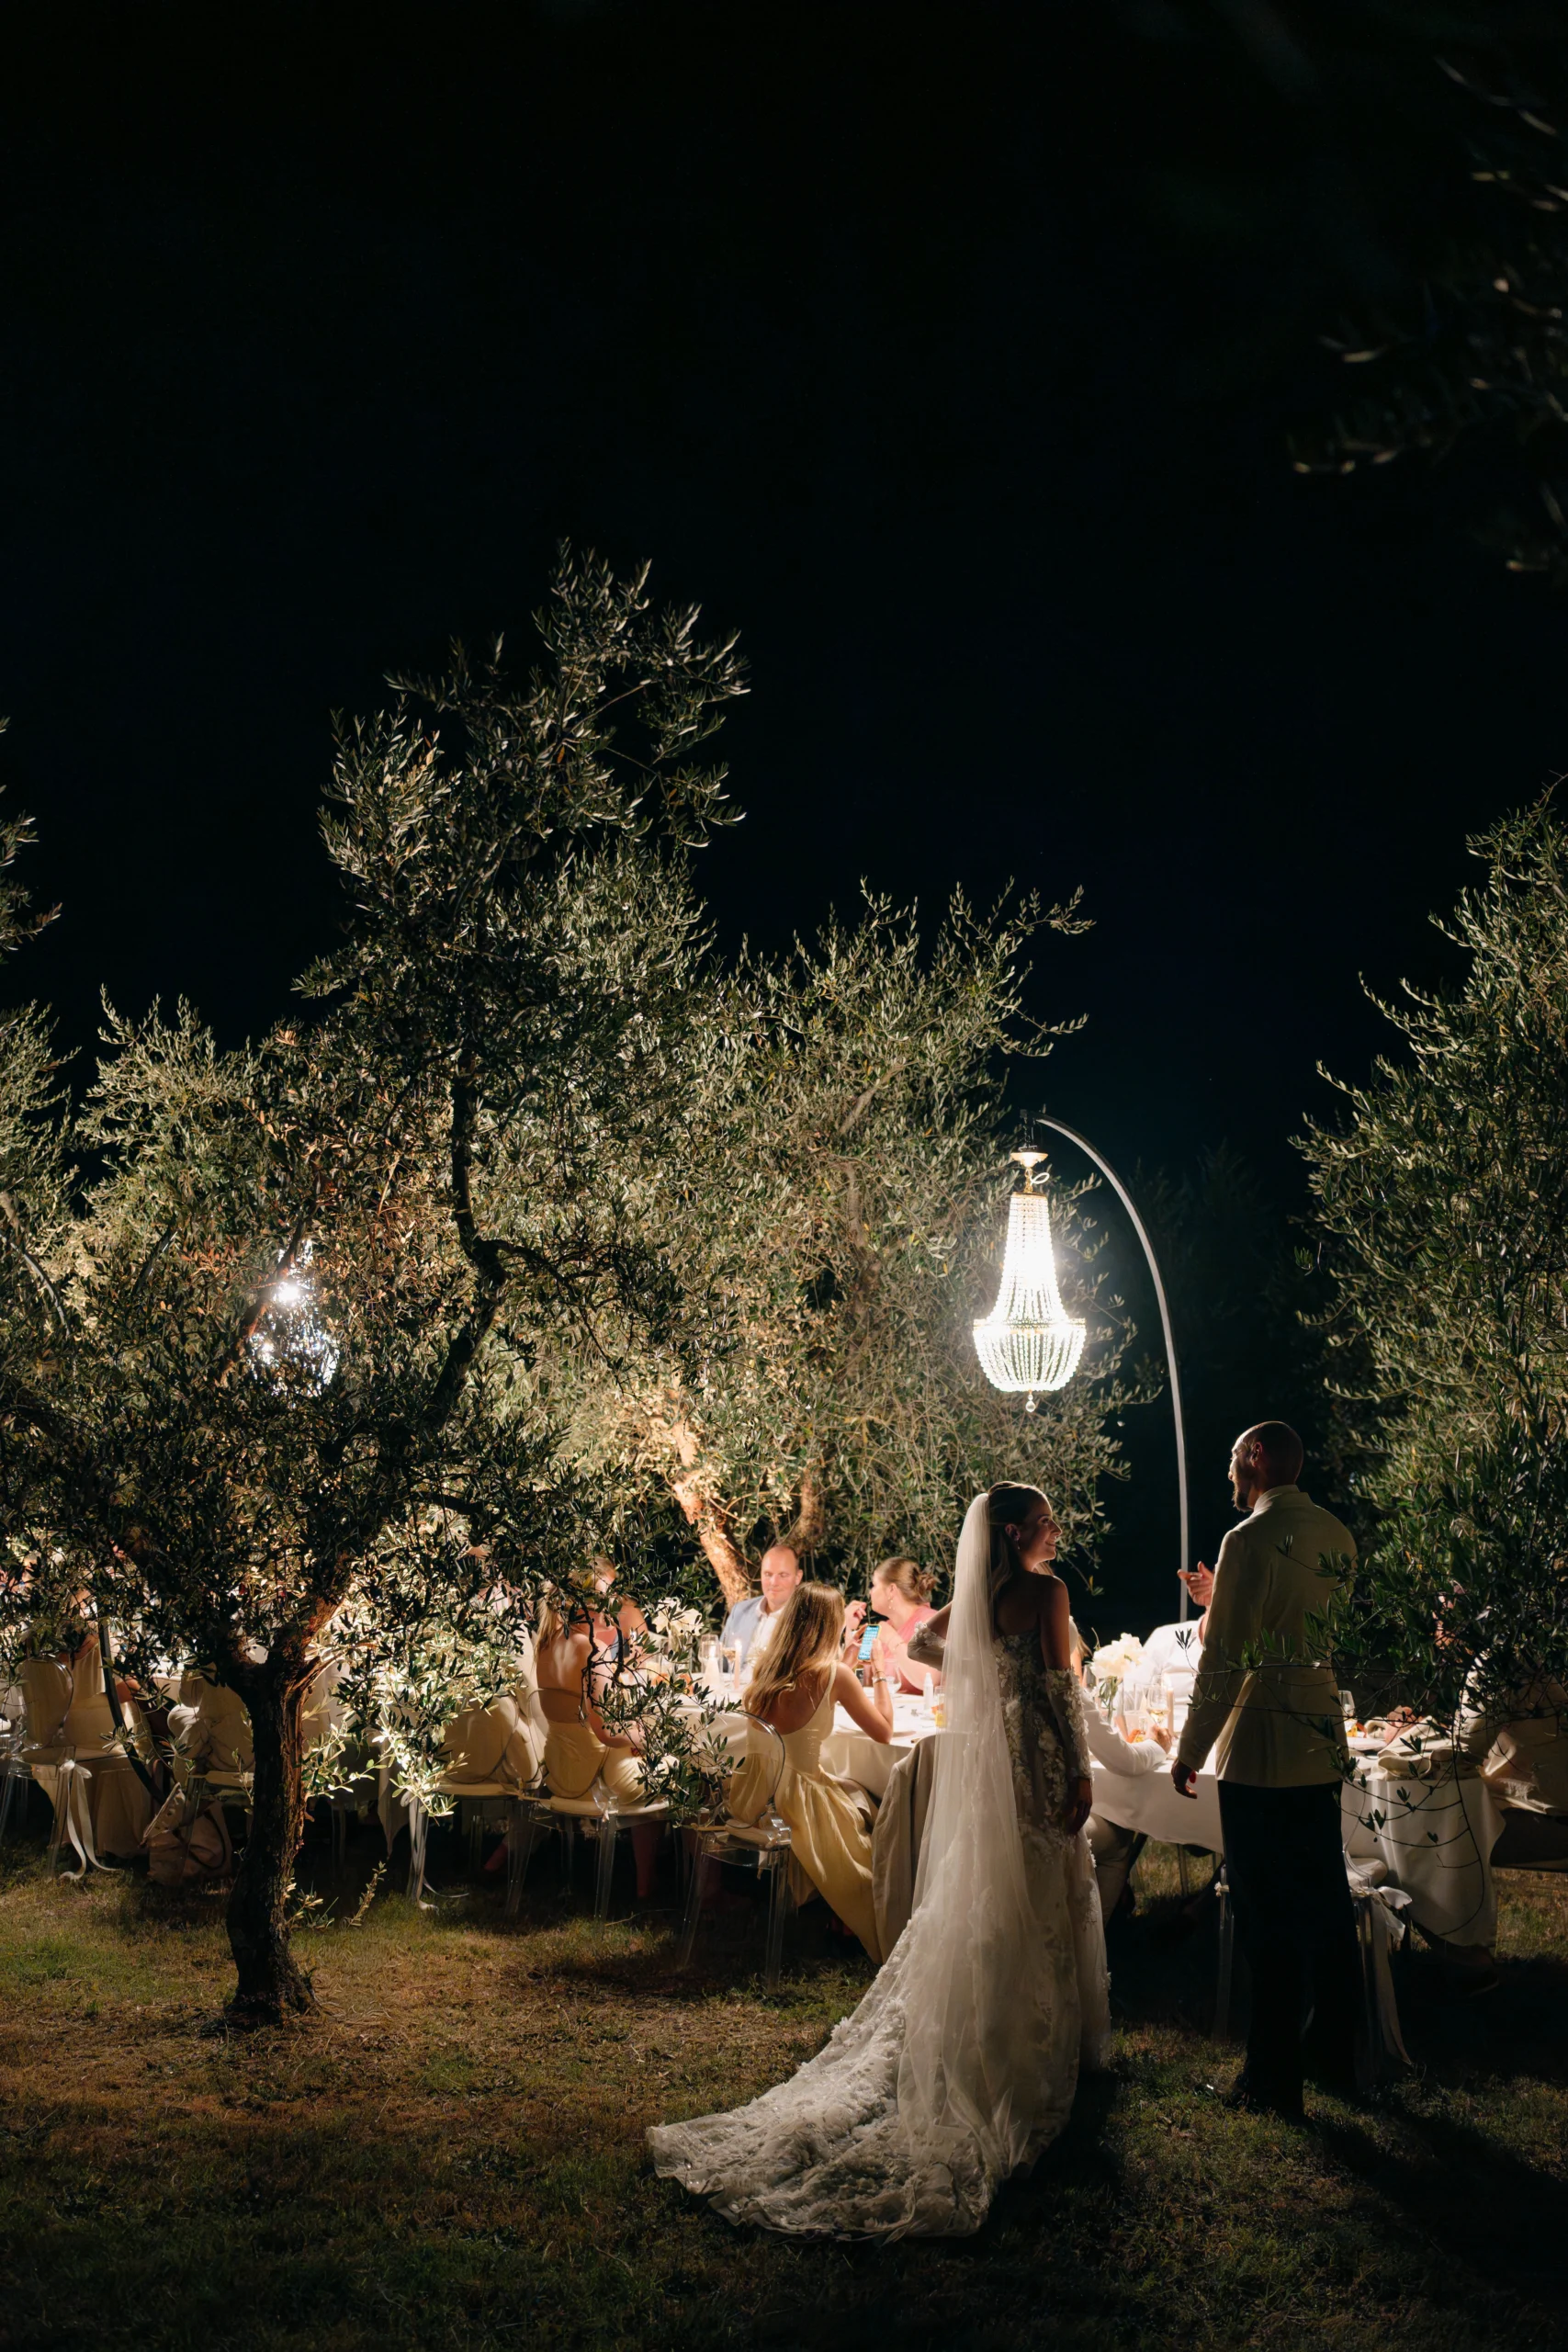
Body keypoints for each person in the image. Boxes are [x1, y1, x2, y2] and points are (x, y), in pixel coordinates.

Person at [648, 1483, 1109, 2238]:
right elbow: (1061, 1690)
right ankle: (1042, 2045)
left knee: (991, 1887)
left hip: (996, 1766)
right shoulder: (1045, 1592)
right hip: (1042, 1761)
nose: (1057, 1534)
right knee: (1047, 1888)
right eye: (1049, 1523)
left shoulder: (981, 1595)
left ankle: (987, 2020)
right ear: (1022, 1531)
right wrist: (1080, 1768)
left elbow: (930, 1646)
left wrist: (988, 1684)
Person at [1171, 1422, 1359, 2117]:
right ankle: (1334, 2052)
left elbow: (1227, 1659)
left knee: (1263, 1912)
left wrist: (1190, 1749)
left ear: (1255, 1458)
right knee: (1324, 1901)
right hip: (1320, 1731)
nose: (1226, 1474)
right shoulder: (1336, 1533)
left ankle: (1271, 2078)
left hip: (1262, 1740)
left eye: (1230, 1459)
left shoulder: (1245, 1539)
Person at [726, 1581, 893, 1959]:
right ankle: (848, 1917)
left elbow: (811, 1690)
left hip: (756, 1795)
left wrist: (845, 1667)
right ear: (831, 1626)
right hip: (798, 1803)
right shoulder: (833, 1675)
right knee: (872, 1806)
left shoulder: (767, 1668)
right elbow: (884, 1732)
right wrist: (877, 1671)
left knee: (854, 1791)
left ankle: (832, 1912)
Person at [536, 1563, 661, 1899]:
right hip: (596, 1780)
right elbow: (605, 1731)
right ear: (586, 1603)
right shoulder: (593, 1649)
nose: (612, 1608)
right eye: (605, 1599)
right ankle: (656, 1889)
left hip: (560, 1773)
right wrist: (644, 1738)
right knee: (676, 1765)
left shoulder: (546, 1644)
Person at [1070, 1624, 1168, 1918]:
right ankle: (1092, 1938)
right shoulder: (1065, 1690)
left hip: (1002, 1822)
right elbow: (1125, 1762)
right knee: (1119, 1831)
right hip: (1057, 1827)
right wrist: (1158, 1745)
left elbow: (922, 1643)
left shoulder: (995, 1681)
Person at [844, 1556, 942, 1694]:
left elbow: (928, 1680)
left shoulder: (930, 1621)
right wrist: (851, 1629)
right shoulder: (885, 1628)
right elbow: (860, 1678)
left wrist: (891, 1639)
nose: (870, 1592)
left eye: (874, 1585)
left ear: (891, 1590)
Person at [719, 1545, 802, 1671]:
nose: (774, 1582)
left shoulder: (807, 1618)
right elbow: (719, 1665)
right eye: (768, 1574)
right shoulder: (740, 1611)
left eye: (783, 1575)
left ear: (798, 1577)